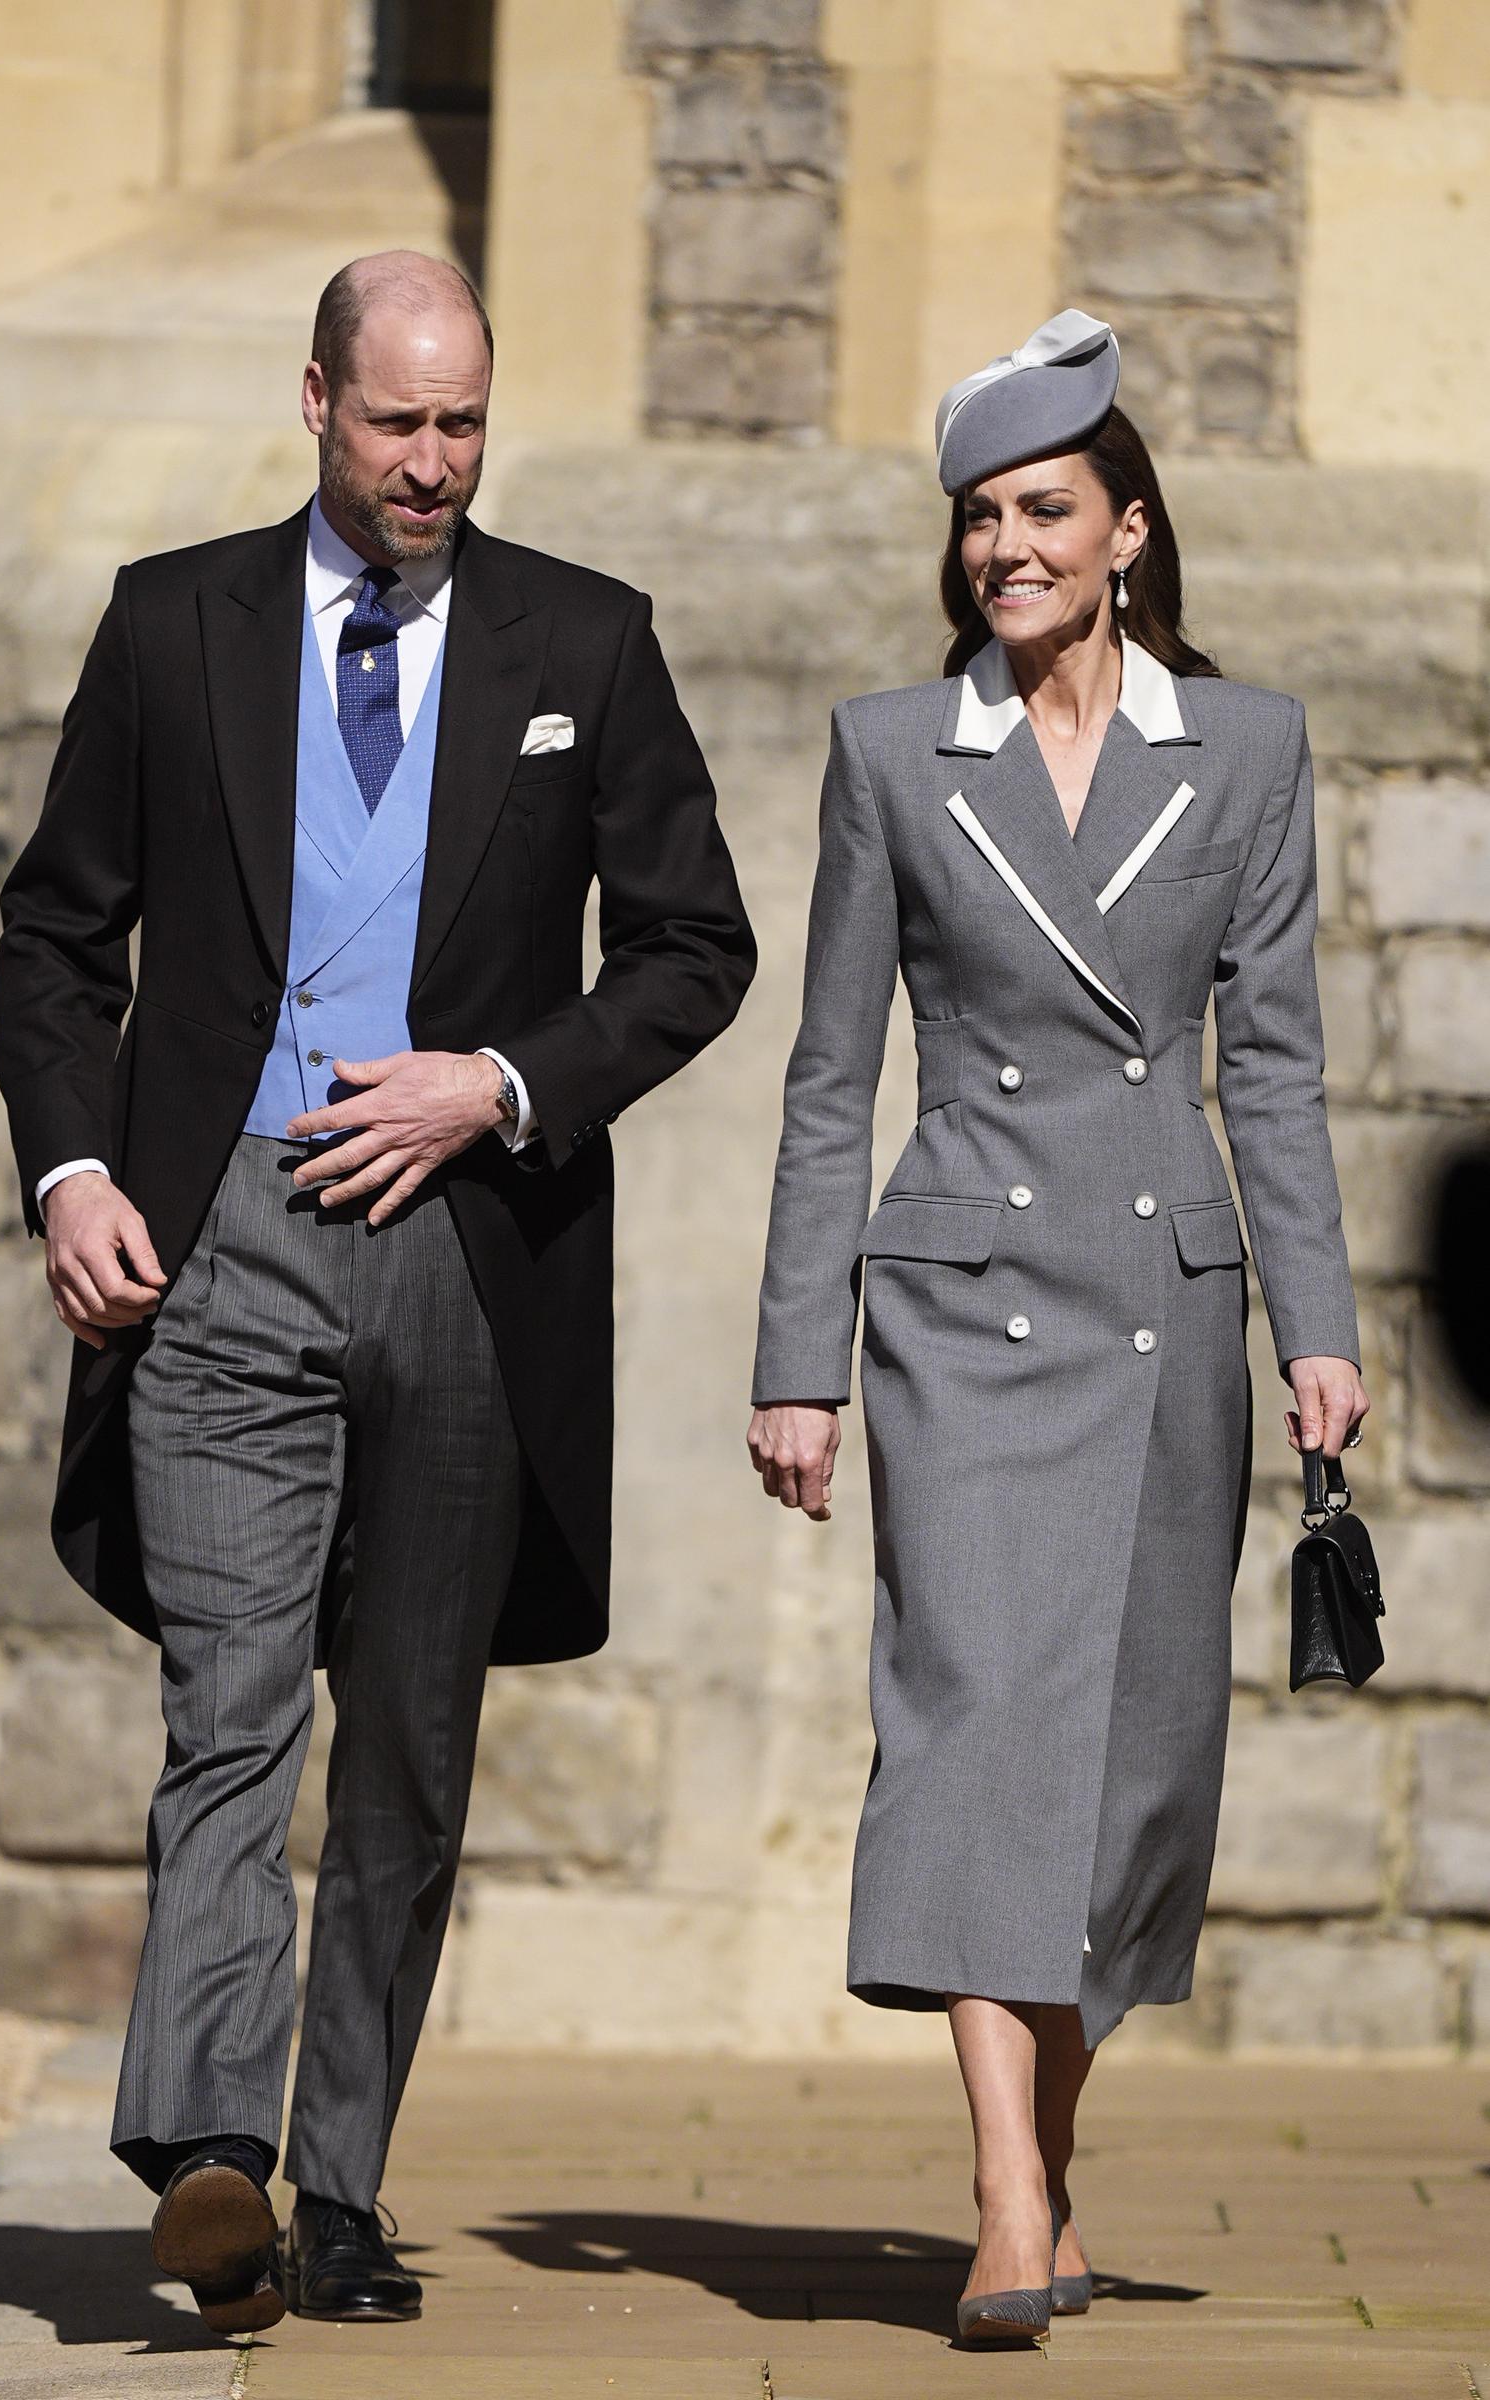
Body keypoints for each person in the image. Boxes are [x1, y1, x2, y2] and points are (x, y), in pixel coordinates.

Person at [0, 250, 755, 2335]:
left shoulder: (584, 641)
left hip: (469, 1263)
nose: (434, 461)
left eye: (464, 423)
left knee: (409, 1746)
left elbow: (691, 945)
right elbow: (56, 934)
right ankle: (212, 2152)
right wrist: (72, 1171)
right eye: (399, 419)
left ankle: (339, 2184)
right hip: (214, 1244)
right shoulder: (172, 623)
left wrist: (495, 1083)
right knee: (228, 1709)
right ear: (316, 400)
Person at [747, 310, 1367, 2347]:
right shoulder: (891, 753)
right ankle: (1005, 2192)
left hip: (1163, 1306)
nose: (1002, 547)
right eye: (976, 518)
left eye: (1039, 511)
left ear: (1124, 529)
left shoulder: (1247, 749)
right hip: (959, 1310)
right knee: (971, 1728)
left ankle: (1052, 2151)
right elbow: (828, 1076)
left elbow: (1271, 1068)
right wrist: (798, 1359)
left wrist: (1315, 1326)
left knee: (1129, 1773)